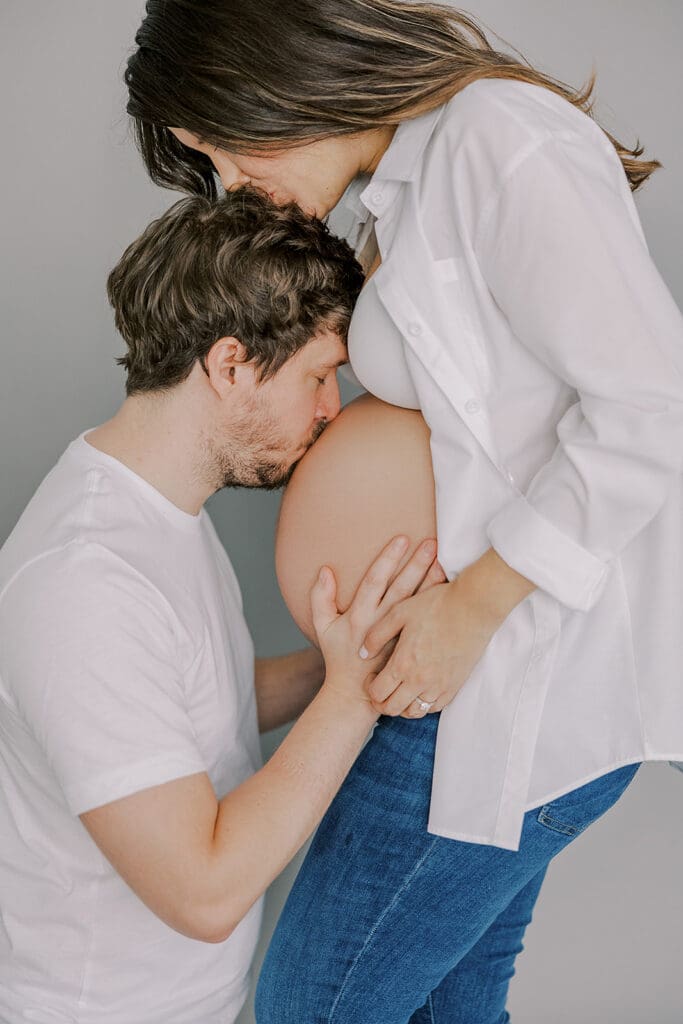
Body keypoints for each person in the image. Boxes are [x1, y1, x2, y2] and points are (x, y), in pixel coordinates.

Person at [125, 2, 683, 1019]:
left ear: (274, 70)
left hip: (499, 677)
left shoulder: (496, 143)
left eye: (221, 144)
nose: (228, 185)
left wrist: (468, 607)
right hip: (444, 686)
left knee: (314, 1005)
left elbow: (649, 406)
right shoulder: (407, 183)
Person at [0, 187, 445, 1024]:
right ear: (231, 363)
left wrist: (338, 662)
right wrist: (350, 700)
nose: (329, 410)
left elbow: (191, 706)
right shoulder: (83, 586)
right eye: (319, 376)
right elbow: (202, 894)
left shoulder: (153, 514)